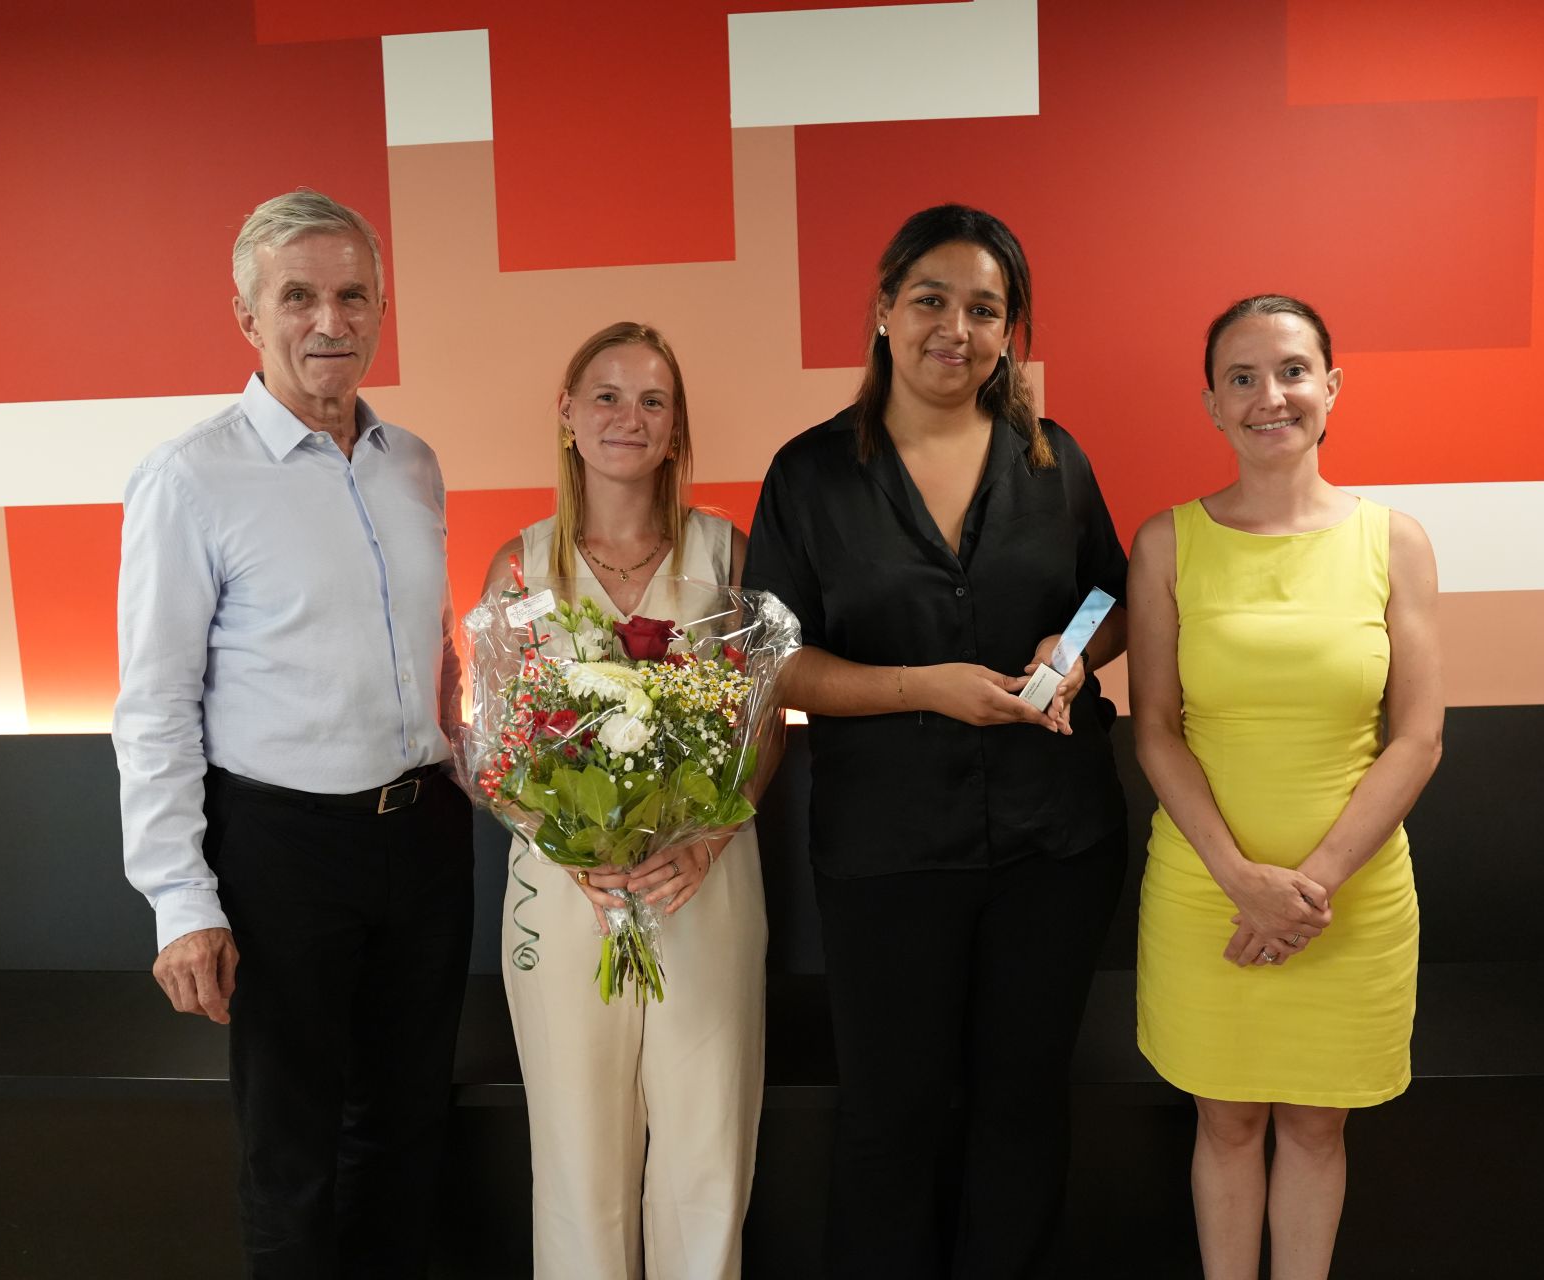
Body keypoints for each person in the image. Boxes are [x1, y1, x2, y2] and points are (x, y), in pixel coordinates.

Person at [742, 205, 1129, 1278]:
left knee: (1023, 1107)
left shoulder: (1054, 459)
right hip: (888, 853)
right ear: (883, 309)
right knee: (891, 1115)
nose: (956, 328)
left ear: (1010, 332)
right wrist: (925, 689)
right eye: (930, 300)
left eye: (985, 309)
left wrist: (1072, 649)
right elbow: (774, 664)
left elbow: (1112, 595)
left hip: (1056, 845)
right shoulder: (810, 474)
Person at [113, 189, 473, 1276]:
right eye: (299, 296)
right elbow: (155, 705)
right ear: (247, 316)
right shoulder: (190, 478)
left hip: (426, 836)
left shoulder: (413, 462)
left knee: (408, 1131)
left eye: (354, 295)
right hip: (282, 850)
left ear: (381, 310)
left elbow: (432, 656)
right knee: (292, 1154)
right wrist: (181, 901)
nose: (330, 320)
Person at [1129, 295, 1443, 1279]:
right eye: (1242, 377)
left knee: (1316, 1125)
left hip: (1351, 901)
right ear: (1212, 404)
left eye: (1293, 370)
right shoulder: (1166, 542)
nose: (1271, 395)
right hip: (1204, 893)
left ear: (1332, 388)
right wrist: (1242, 880)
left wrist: (1307, 889)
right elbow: (1156, 728)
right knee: (1224, 1121)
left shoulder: (1395, 540)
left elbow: (1418, 736)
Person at [480, 321, 767, 1279]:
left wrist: (710, 838)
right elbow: (492, 744)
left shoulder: (726, 555)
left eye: (653, 401)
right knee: (576, 1160)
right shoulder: (520, 566)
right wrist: (565, 843)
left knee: (705, 1152)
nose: (628, 418)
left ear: (677, 427)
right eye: (606, 396)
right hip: (567, 890)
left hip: (701, 879)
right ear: (566, 413)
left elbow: (762, 724)